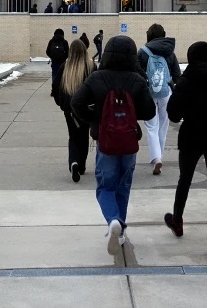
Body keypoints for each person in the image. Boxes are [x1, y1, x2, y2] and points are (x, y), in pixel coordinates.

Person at [72, 35, 155, 255]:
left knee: (105, 187)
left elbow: (76, 102)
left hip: (106, 141)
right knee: (123, 186)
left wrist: (96, 118)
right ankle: (120, 230)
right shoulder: (137, 80)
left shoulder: (96, 78)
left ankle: (113, 221)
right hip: (129, 142)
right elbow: (149, 111)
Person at [164, 41, 207, 262]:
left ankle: (177, 220)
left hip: (192, 137)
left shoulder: (186, 80)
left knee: (184, 179)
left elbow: (173, 114)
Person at [138, 23, 182, 175]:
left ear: (149, 35)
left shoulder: (143, 52)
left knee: (151, 126)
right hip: (166, 93)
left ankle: (156, 158)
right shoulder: (170, 52)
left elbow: (138, 73)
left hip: (149, 93)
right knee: (163, 126)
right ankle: (160, 156)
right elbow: (177, 74)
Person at [52, 39, 95, 182]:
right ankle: (81, 165)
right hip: (86, 108)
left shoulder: (66, 66)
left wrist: (61, 104)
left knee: (73, 136)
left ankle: (74, 162)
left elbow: (56, 88)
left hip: (69, 109)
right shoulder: (91, 66)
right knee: (84, 134)